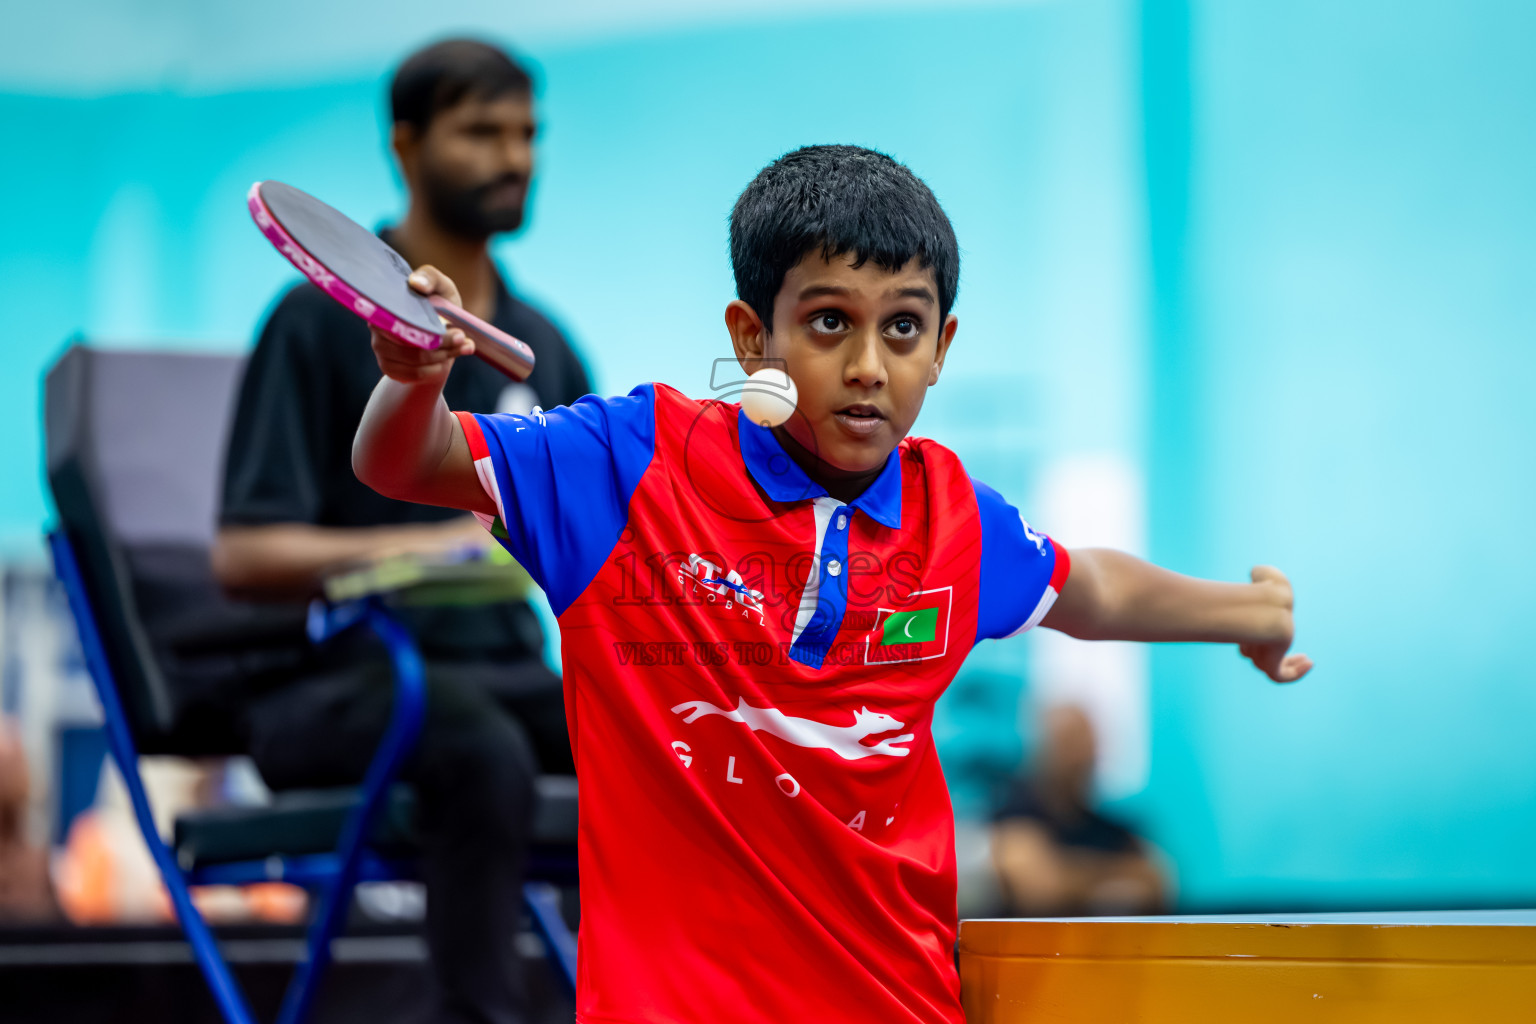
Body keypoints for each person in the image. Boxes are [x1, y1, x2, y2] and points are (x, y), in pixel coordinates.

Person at [350, 145, 1313, 1023]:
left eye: (903, 328)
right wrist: (413, 374)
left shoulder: (951, 514)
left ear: (941, 346)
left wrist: (1250, 613)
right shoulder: (627, 464)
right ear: (752, 335)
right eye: (827, 323)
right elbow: (406, 462)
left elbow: (1088, 590)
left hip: (899, 999)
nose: (867, 367)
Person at [214, 39, 589, 1024]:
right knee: (481, 749)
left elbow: (599, 542)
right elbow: (243, 556)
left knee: (654, 728)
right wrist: (420, 550)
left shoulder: (545, 348)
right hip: (333, 686)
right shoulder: (310, 323)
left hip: (502, 676)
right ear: (407, 144)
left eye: (527, 135)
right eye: (482, 132)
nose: (514, 157)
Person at [992, 704, 1167, 916]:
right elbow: (1041, 890)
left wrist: (1069, 873)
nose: (1082, 754)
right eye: (1069, 741)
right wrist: (1113, 876)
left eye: (1088, 742)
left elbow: (1156, 880)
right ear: (1040, 748)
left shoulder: (1110, 827)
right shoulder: (1014, 814)